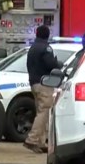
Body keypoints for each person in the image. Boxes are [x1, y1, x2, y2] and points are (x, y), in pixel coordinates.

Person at [24, 25, 63, 153]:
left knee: (40, 111)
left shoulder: (33, 47)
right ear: (47, 35)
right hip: (44, 83)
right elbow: (51, 65)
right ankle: (32, 140)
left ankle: (41, 142)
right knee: (44, 111)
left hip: (34, 83)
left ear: (36, 34)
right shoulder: (46, 48)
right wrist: (58, 64)